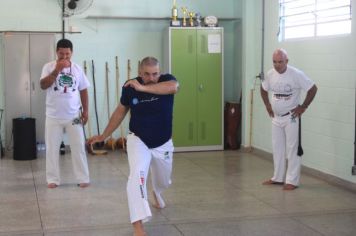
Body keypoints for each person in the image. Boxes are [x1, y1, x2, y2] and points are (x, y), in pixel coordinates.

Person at [87, 56, 179, 236]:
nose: (152, 77)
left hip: (163, 143)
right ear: (139, 73)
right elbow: (120, 112)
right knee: (137, 176)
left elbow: (174, 87)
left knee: (164, 180)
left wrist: (143, 87)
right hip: (139, 140)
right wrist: (104, 136)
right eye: (147, 74)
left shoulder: (168, 80)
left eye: (155, 74)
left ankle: (157, 192)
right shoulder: (129, 88)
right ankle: (138, 226)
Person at [260, 48, 317, 191]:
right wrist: (267, 105)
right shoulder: (270, 74)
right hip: (276, 118)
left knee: (292, 149)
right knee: (277, 148)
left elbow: (313, 89)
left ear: (287, 61)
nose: (277, 65)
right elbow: (263, 89)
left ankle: (292, 180)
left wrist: (303, 107)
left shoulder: (296, 74)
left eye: (280, 62)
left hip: (291, 117)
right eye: (274, 62)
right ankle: (278, 178)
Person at [40, 38, 90, 189]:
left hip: (74, 116)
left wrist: (86, 110)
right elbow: (43, 85)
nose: (64, 57)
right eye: (61, 54)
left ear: (72, 53)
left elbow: (83, 90)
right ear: (57, 52)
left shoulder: (77, 69)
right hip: (53, 116)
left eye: (67, 54)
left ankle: (83, 177)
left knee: (78, 146)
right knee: (52, 148)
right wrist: (57, 70)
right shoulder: (48, 67)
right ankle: (53, 179)